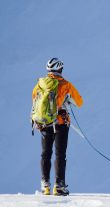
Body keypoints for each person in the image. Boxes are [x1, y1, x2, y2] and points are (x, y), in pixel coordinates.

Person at [32, 58, 83, 196]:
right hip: (60, 123)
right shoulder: (66, 84)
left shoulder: (40, 84)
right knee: (60, 155)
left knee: (45, 154)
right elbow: (79, 102)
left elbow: (34, 100)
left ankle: (45, 185)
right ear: (60, 69)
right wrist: (66, 100)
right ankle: (59, 186)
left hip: (44, 123)